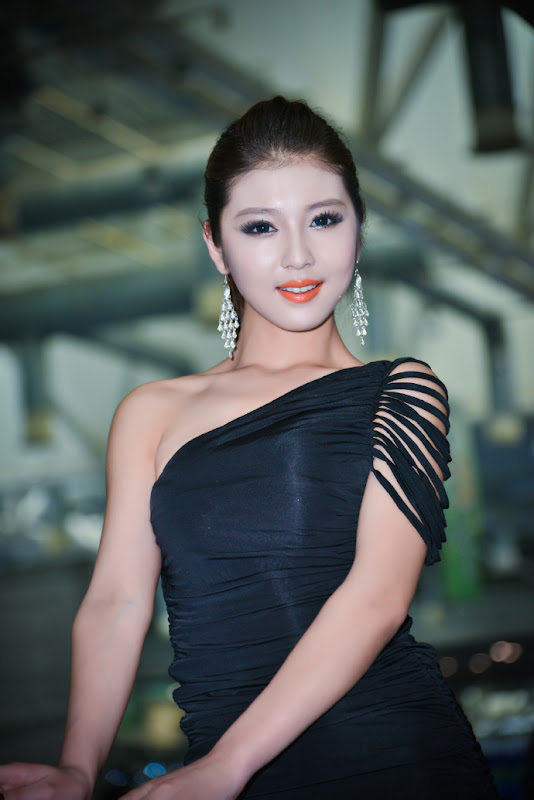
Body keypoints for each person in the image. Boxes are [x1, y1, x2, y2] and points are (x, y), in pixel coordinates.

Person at [0, 96, 500, 800]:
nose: (298, 254)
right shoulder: (151, 413)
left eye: (324, 219)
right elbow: (116, 601)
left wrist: (227, 766)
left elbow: (377, 598)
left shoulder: (402, 391)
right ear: (216, 246)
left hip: (394, 761)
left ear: (358, 230)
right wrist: (78, 769)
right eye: (261, 226)